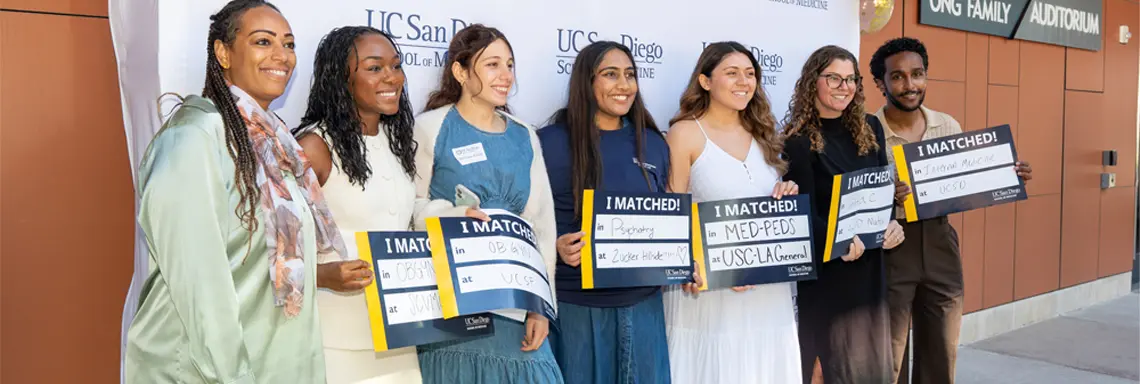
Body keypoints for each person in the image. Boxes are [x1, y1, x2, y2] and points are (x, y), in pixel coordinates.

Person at [124, 1, 341, 382]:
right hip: (202, 370)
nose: (282, 56)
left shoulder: (274, 143)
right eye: (263, 41)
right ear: (223, 53)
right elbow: (200, 284)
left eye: (289, 44)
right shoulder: (194, 138)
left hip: (273, 363)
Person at [868, 37, 1032, 384]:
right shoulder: (868, 133)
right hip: (892, 246)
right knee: (889, 353)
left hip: (941, 242)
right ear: (880, 83)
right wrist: (887, 198)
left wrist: (1005, 173)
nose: (910, 85)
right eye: (897, 77)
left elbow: (964, 186)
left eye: (917, 74)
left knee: (942, 350)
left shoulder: (948, 126)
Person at [410, 24, 563, 384]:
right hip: (451, 308)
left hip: (514, 305)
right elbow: (408, 207)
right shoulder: (430, 127)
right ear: (461, 72)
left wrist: (542, 308)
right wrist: (450, 215)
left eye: (509, 65)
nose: (505, 76)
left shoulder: (524, 135)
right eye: (492, 64)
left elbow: (541, 226)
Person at [661, 41, 804, 384]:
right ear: (706, 81)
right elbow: (671, 215)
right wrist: (701, 266)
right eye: (732, 73)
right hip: (710, 296)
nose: (744, 81)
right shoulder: (684, 134)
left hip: (768, 296)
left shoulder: (764, 133)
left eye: (750, 73)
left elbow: (767, 207)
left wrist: (786, 192)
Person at [292, 26, 427, 384]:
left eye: (396, 66)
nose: (391, 77)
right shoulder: (313, 148)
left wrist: (457, 217)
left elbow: (405, 219)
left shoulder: (397, 143)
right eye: (374, 67)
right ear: (341, 79)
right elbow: (269, 249)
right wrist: (324, 275)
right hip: (335, 339)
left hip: (399, 334)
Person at [539, 41, 672, 384]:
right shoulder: (547, 142)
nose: (624, 85)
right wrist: (555, 246)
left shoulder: (654, 144)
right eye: (610, 74)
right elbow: (524, 219)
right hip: (576, 308)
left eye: (630, 75)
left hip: (643, 307)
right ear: (587, 81)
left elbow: (666, 222)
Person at [781, 45, 906, 384]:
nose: (843, 86)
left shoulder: (870, 128)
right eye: (833, 78)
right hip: (829, 274)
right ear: (813, 83)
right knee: (828, 368)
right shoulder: (798, 140)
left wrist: (892, 224)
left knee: (870, 367)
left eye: (850, 79)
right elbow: (803, 213)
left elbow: (881, 195)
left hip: (870, 272)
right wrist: (838, 243)